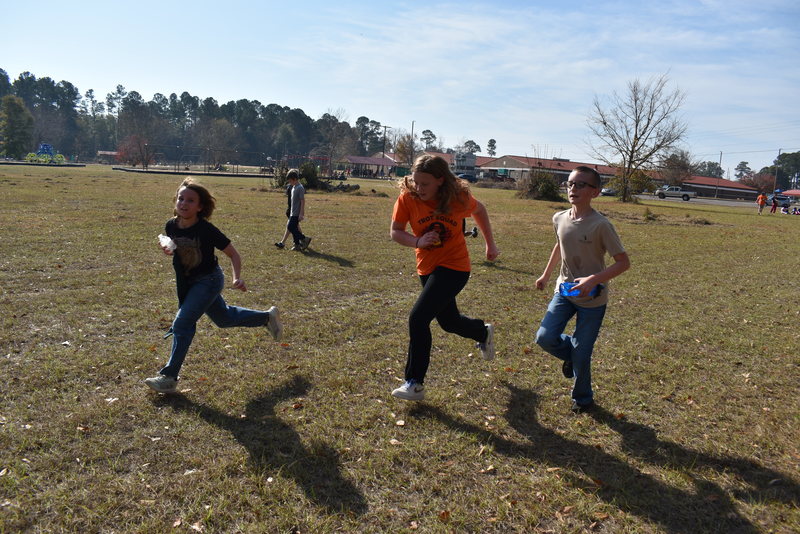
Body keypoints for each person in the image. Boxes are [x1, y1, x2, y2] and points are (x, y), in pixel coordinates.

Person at [145, 178, 283, 393]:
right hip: (190, 282)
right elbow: (175, 249)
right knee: (224, 318)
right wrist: (167, 248)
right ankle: (266, 317)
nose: (184, 203)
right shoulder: (171, 225)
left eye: (190, 200)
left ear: (200, 207)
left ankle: (169, 377)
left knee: (182, 324)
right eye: (181, 198)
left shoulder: (207, 230)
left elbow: (233, 254)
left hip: (209, 281)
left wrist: (237, 277)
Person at [389, 154, 499, 401]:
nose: (419, 188)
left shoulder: (457, 197)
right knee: (449, 322)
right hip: (426, 267)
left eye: (425, 184)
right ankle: (482, 332)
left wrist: (490, 244)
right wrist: (417, 241)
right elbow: (396, 232)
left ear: (440, 180)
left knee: (418, 318)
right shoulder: (408, 197)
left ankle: (414, 383)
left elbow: (479, 210)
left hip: (455, 267)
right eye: (416, 182)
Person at [534, 166, 630, 413]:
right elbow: (560, 246)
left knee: (582, 350)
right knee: (544, 338)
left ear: (595, 192)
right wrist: (546, 275)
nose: (572, 189)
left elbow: (623, 262)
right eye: (570, 183)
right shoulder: (559, 218)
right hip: (565, 291)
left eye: (580, 185)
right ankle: (571, 355)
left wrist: (592, 280)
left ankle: (583, 398)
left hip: (593, 299)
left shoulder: (601, 225)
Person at [285, 169, 311, 251]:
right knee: (294, 228)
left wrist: (301, 213)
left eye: (290, 181)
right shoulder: (293, 187)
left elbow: (302, 201)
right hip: (293, 212)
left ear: (295, 179)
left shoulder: (300, 188)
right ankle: (297, 245)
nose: (289, 182)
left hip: (297, 213)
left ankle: (304, 239)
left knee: (290, 226)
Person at [274, 180, 293, 249]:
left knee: (290, 225)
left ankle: (283, 242)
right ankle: (304, 239)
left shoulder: (296, 187)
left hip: (293, 209)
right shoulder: (290, 186)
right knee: (294, 225)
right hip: (290, 209)